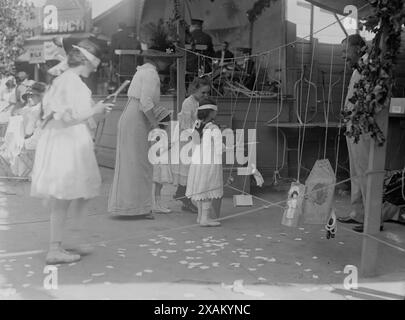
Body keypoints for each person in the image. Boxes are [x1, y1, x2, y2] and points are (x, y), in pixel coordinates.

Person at [30, 39, 113, 264]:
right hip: (65, 144)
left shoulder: (71, 80)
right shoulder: (69, 82)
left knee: (80, 193)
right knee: (63, 195)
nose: (96, 68)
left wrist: (97, 112)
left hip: (71, 142)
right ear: (86, 60)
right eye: (95, 63)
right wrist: (93, 110)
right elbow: (67, 118)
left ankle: (74, 239)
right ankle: (54, 249)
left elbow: (78, 113)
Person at [108, 45, 176, 218]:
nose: (167, 65)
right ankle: (138, 208)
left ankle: (130, 206)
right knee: (140, 163)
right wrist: (155, 124)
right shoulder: (151, 74)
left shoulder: (142, 72)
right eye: (166, 61)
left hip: (131, 114)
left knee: (132, 162)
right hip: (137, 118)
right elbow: (146, 102)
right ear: (158, 60)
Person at [337, 34, 384, 233]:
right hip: (353, 125)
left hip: (363, 126)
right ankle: (357, 213)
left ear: (357, 48)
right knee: (356, 172)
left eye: (345, 51)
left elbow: (375, 96)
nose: (342, 56)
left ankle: (374, 220)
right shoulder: (358, 66)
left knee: (365, 173)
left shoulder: (369, 65)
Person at [172, 77, 211, 213]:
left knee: (193, 168)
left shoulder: (203, 102)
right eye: (203, 93)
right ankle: (184, 196)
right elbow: (187, 125)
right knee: (188, 168)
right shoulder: (188, 103)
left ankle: (183, 195)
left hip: (197, 136)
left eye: (207, 93)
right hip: (187, 138)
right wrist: (198, 134)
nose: (205, 96)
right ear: (194, 90)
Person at [186, 98, 224, 227]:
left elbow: (195, 143)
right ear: (212, 112)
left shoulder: (196, 125)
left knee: (201, 191)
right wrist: (228, 147)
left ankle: (200, 217)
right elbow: (219, 150)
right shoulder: (214, 129)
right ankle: (205, 219)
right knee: (207, 190)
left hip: (197, 163)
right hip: (209, 164)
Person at [151, 109, 173, 214]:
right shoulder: (160, 133)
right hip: (159, 162)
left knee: (159, 185)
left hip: (159, 161)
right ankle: (157, 205)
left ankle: (157, 204)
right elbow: (158, 151)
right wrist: (168, 146)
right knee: (159, 185)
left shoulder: (157, 132)